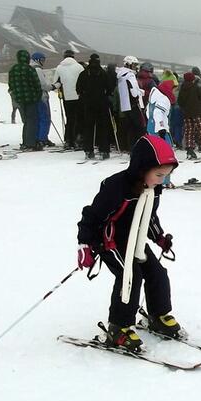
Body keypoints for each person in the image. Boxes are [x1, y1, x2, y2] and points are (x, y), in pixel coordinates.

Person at [76, 135, 181, 351]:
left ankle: (158, 315)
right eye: (159, 174)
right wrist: (85, 245)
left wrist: (159, 237)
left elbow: (148, 217)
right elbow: (92, 215)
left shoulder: (153, 188)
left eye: (166, 176)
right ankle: (119, 327)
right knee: (130, 276)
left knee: (157, 273)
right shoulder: (116, 187)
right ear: (142, 169)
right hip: (109, 241)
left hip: (136, 240)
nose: (162, 180)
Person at [75, 53, 114, 160]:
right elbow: (110, 89)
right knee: (103, 127)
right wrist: (105, 95)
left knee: (88, 127)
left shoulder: (84, 73)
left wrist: (84, 95)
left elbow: (78, 88)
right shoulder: (103, 73)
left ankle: (88, 150)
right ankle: (104, 150)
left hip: (88, 104)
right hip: (102, 103)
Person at [8, 50, 44, 151]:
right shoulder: (29, 69)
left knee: (26, 121)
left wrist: (16, 95)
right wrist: (38, 96)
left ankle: (25, 141)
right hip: (31, 98)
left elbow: (10, 85)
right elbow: (37, 84)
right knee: (32, 120)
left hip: (19, 99)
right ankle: (31, 143)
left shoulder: (12, 69)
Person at [53, 50, 85, 150]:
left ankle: (68, 140)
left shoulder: (59, 67)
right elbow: (83, 80)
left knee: (70, 118)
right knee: (79, 118)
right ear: (73, 57)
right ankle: (77, 140)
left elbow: (56, 82)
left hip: (67, 98)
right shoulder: (79, 67)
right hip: (78, 97)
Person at [177, 71, 201, 160]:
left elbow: (180, 102)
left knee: (189, 131)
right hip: (197, 113)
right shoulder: (195, 87)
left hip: (187, 114)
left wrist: (184, 109)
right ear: (192, 79)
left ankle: (190, 151)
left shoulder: (182, 88)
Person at [117, 56, 146, 151]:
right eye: (134, 65)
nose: (136, 67)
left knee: (130, 129)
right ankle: (140, 150)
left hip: (125, 106)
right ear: (129, 64)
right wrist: (141, 92)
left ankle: (132, 149)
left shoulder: (121, 75)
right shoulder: (130, 75)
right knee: (140, 128)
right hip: (134, 105)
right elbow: (134, 93)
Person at [30, 52, 56, 147]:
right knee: (45, 118)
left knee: (37, 118)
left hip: (33, 97)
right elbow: (43, 85)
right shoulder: (37, 69)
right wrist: (53, 86)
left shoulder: (29, 68)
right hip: (41, 97)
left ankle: (38, 137)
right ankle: (43, 138)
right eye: (42, 60)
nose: (43, 62)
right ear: (37, 60)